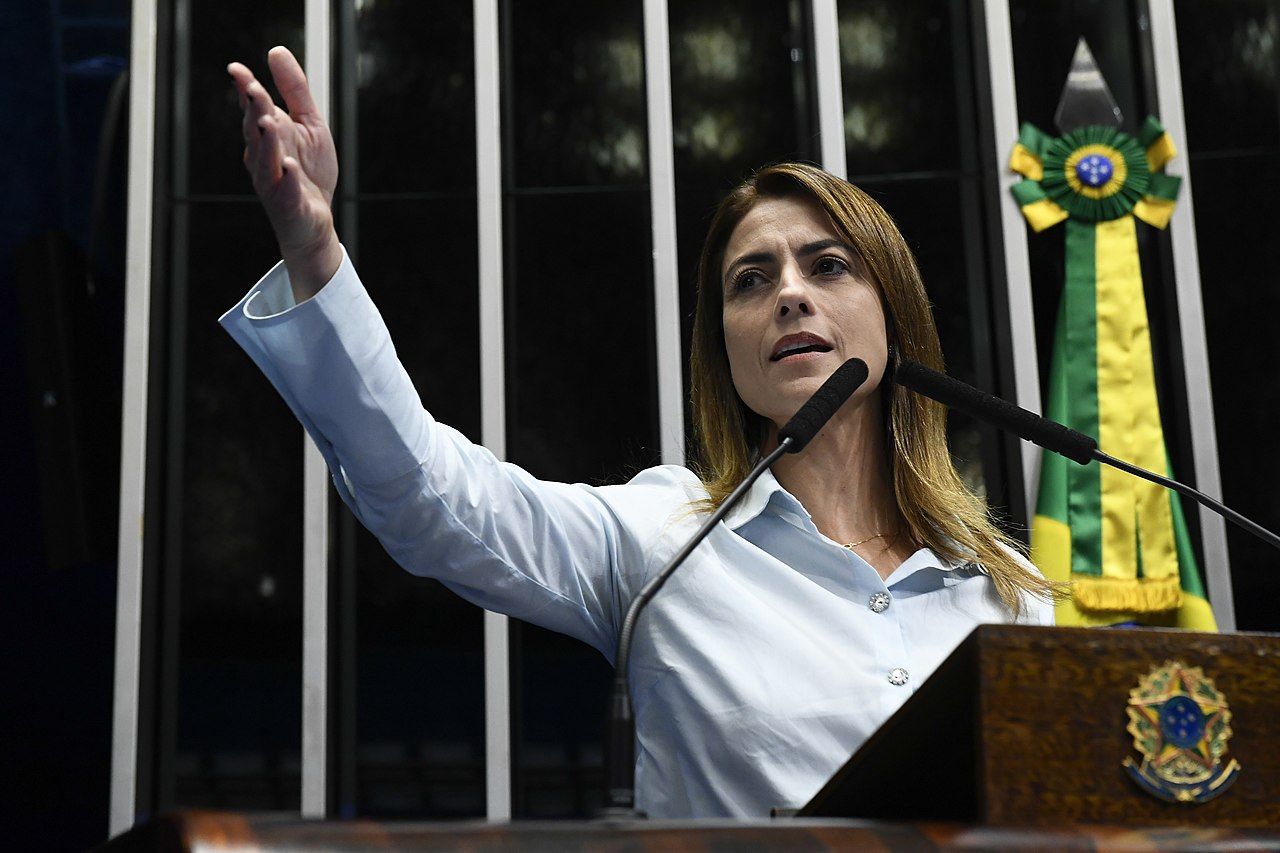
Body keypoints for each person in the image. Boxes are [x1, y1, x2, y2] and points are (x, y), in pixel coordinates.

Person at [223, 47, 1055, 818]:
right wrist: (314, 250)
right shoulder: (667, 544)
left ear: (895, 317)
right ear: (727, 348)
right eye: (751, 280)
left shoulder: (1008, 590)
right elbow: (430, 497)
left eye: (828, 265)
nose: (790, 294)